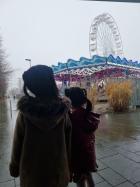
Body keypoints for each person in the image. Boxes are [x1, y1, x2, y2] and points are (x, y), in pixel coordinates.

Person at [9, 65, 72, 187]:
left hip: (31, 176)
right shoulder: (63, 112)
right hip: (58, 175)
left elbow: (17, 144)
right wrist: (68, 168)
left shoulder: (25, 114)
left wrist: (14, 167)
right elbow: (69, 143)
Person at [65, 87, 100, 187]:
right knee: (89, 177)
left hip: (78, 158)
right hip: (89, 155)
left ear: (71, 101)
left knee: (80, 181)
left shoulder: (73, 118)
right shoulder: (88, 115)